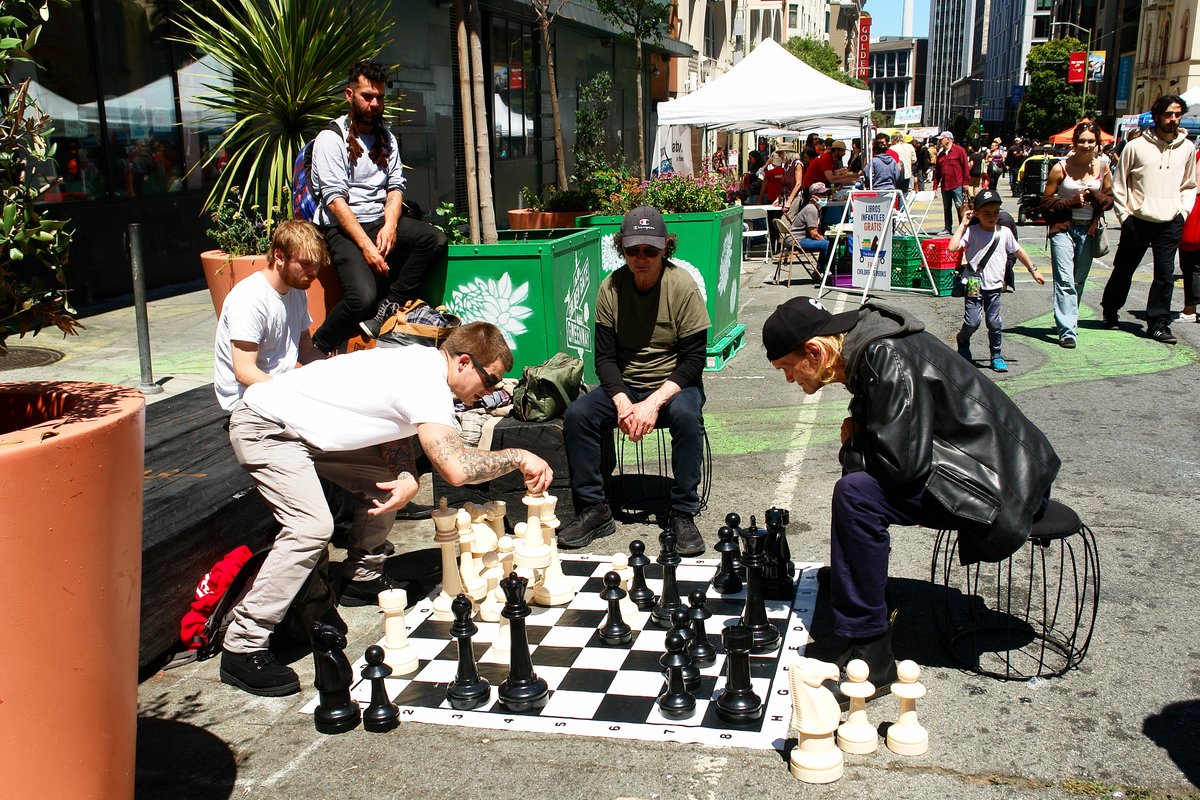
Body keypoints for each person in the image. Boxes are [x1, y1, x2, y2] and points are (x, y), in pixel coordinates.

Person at [219, 322, 554, 696]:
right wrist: (520, 456)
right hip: (268, 428)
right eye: (490, 380)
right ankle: (243, 643)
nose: (491, 392)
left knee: (393, 484)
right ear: (463, 362)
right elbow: (456, 470)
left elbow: (390, 429)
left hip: (309, 431)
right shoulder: (428, 383)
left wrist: (405, 472)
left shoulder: (421, 365)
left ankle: (362, 577)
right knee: (311, 527)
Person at [762, 296, 1060, 697]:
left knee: (857, 494)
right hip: (999, 473)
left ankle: (871, 653)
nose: (789, 380)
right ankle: (864, 588)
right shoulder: (871, 346)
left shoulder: (883, 355)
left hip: (1005, 490)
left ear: (814, 352)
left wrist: (854, 445)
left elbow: (902, 469)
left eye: (786, 368)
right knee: (860, 482)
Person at [557, 206, 711, 557]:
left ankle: (684, 512)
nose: (641, 258)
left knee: (688, 417)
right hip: (625, 384)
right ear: (621, 248)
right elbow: (605, 359)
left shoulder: (682, 286)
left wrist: (653, 402)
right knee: (578, 415)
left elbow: (693, 362)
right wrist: (625, 401)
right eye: (632, 250)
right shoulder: (611, 288)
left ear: (665, 249)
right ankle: (595, 508)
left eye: (650, 251)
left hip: (673, 384)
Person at [309, 61, 448, 353]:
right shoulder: (330, 139)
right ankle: (320, 342)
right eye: (367, 96)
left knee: (434, 239)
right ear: (349, 95)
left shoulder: (387, 137)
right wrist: (368, 247)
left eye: (379, 97)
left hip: (377, 220)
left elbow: (396, 187)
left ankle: (389, 306)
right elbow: (335, 201)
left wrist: (391, 225)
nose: (374, 103)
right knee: (361, 298)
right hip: (342, 227)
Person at [1100, 94, 1198, 344]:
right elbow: (1121, 183)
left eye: (1177, 114)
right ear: (1156, 116)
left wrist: (1183, 211)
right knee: (1124, 269)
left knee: (1165, 274)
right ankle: (1110, 310)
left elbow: (1189, 184)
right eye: (1168, 114)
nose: (1173, 119)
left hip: (1171, 219)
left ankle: (1158, 323)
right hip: (1138, 219)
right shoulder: (1136, 146)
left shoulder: (1187, 148)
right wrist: (1125, 216)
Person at [213, 219, 326, 413]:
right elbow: (245, 372)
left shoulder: (297, 289)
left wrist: (337, 370)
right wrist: (295, 395)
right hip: (247, 400)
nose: (313, 272)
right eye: (306, 264)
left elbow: (305, 348)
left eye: (317, 264)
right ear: (279, 256)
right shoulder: (248, 299)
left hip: (280, 388)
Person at [949, 189, 1044, 372]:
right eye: (986, 213)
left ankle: (996, 355)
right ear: (976, 213)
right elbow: (953, 247)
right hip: (974, 283)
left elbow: (1018, 252)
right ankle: (963, 339)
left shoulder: (1005, 232)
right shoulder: (972, 232)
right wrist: (963, 224)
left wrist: (1033, 271)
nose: (992, 217)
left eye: (995, 212)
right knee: (973, 321)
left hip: (994, 286)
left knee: (994, 322)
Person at [1041, 122, 1115, 348]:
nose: (1086, 145)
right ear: (1074, 142)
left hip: (1089, 230)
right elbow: (1045, 203)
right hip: (1063, 228)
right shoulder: (1060, 167)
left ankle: (1068, 318)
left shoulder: (1104, 168)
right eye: (1082, 140)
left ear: (1097, 143)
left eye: (1091, 141)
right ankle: (1067, 330)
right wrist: (1072, 202)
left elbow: (1110, 200)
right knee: (1064, 280)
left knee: (1078, 280)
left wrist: (1096, 198)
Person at [786, 182, 834, 270]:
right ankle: (831, 270)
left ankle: (820, 269)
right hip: (796, 240)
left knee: (829, 240)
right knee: (826, 244)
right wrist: (823, 241)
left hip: (800, 238)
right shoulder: (812, 209)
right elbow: (814, 233)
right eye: (821, 194)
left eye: (826, 194)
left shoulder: (816, 208)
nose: (825, 196)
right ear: (813, 196)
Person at [932, 131, 970, 234]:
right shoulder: (941, 154)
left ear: (948, 139)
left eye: (942, 139)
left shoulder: (959, 151)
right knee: (946, 208)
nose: (940, 141)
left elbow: (965, 167)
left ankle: (963, 229)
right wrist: (935, 187)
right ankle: (947, 228)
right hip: (945, 185)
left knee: (960, 206)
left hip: (957, 184)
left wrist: (966, 182)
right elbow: (937, 173)